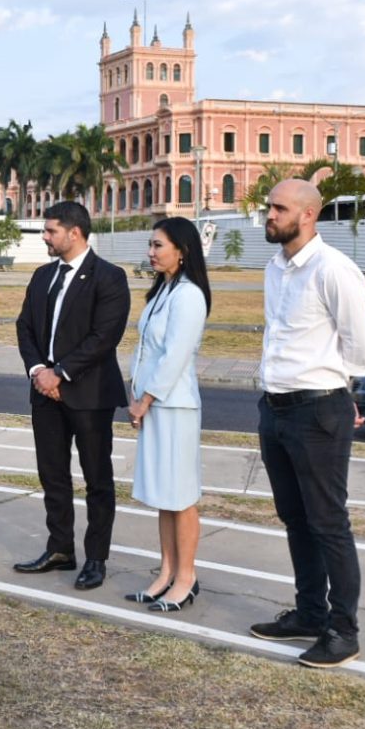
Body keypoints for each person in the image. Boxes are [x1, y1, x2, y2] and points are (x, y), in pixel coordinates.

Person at [250, 179, 365, 669]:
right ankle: (309, 613)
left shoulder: (333, 269)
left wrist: (342, 390)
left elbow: (361, 344)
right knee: (295, 517)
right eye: (270, 207)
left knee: (328, 522)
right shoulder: (274, 267)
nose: (269, 215)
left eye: (279, 208)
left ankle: (343, 632)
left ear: (308, 215)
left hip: (318, 409)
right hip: (275, 407)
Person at [13, 201, 130, 589]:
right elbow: (25, 327)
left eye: (51, 231)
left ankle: (96, 557)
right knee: (53, 475)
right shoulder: (43, 275)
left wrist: (59, 373)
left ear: (74, 232)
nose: (45, 237)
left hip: (89, 395)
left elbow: (104, 337)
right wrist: (38, 371)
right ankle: (60, 548)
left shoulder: (109, 277)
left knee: (97, 479)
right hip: (44, 393)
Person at [125, 217, 211, 612]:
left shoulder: (189, 295)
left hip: (174, 405)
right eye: (151, 244)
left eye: (158, 245)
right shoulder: (163, 290)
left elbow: (175, 356)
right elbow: (145, 348)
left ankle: (186, 578)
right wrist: (136, 393)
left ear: (182, 250)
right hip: (154, 403)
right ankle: (166, 572)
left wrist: (144, 400)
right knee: (163, 495)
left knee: (181, 496)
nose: (151, 252)